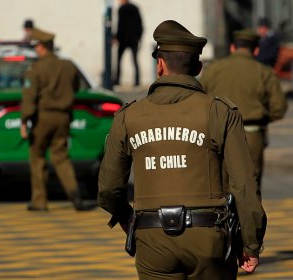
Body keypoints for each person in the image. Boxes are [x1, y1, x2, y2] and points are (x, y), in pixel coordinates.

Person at [98, 20, 266, 279]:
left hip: (152, 239)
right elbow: (243, 184)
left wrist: (126, 219)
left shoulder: (128, 116)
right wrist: (251, 243)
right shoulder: (219, 112)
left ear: (160, 65)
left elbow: (109, 188)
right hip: (209, 238)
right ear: (197, 67)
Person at [200, 29, 287, 194]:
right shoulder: (264, 72)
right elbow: (279, 107)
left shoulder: (213, 70)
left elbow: (199, 98)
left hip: (218, 135)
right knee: (249, 190)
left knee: (220, 188)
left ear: (232, 48)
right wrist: (262, 117)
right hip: (251, 135)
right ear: (256, 50)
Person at [20, 28, 87, 211]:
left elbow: (29, 97)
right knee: (61, 156)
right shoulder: (67, 65)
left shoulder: (35, 69)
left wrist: (25, 121)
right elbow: (77, 86)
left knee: (38, 156)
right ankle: (74, 194)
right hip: (64, 117)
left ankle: (39, 201)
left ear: (41, 48)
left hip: (43, 117)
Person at [113, 0, 143, 87]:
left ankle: (117, 80)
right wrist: (138, 38)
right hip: (134, 39)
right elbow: (140, 24)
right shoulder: (135, 8)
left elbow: (120, 25)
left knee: (118, 60)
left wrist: (117, 37)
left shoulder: (121, 9)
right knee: (135, 60)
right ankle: (137, 81)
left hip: (123, 39)